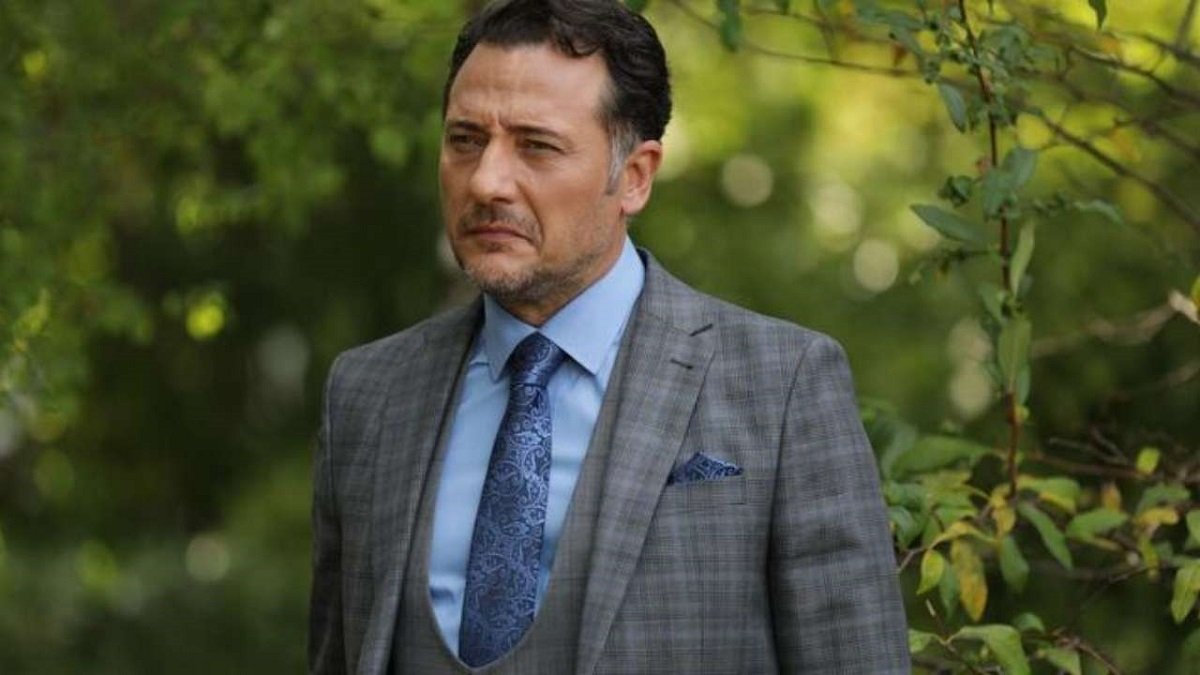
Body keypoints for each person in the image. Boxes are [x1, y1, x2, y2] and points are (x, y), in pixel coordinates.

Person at [308, 0, 909, 673]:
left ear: (634, 177)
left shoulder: (784, 384)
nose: (486, 181)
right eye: (465, 140)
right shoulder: (367, 393)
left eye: (536, 145)